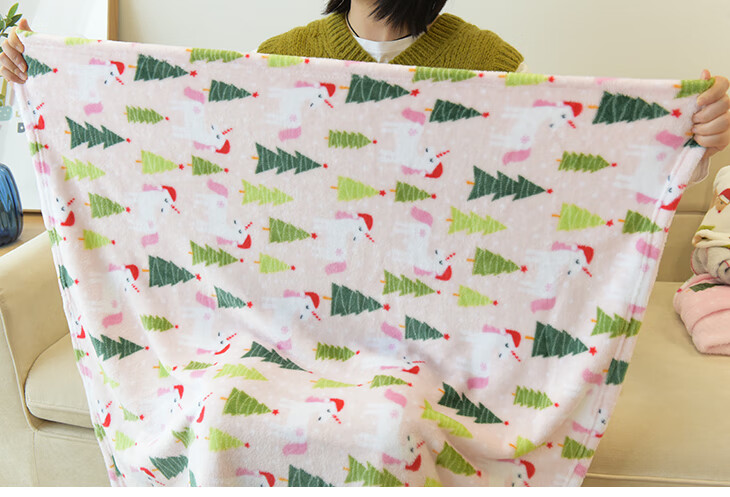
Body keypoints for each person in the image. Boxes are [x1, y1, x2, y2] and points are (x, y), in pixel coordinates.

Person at [1, 2, 729, 164]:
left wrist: (687, 133)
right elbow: (198, 150)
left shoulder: (492, 61)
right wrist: (46, 78)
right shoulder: (279, 57)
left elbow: (554, 164)